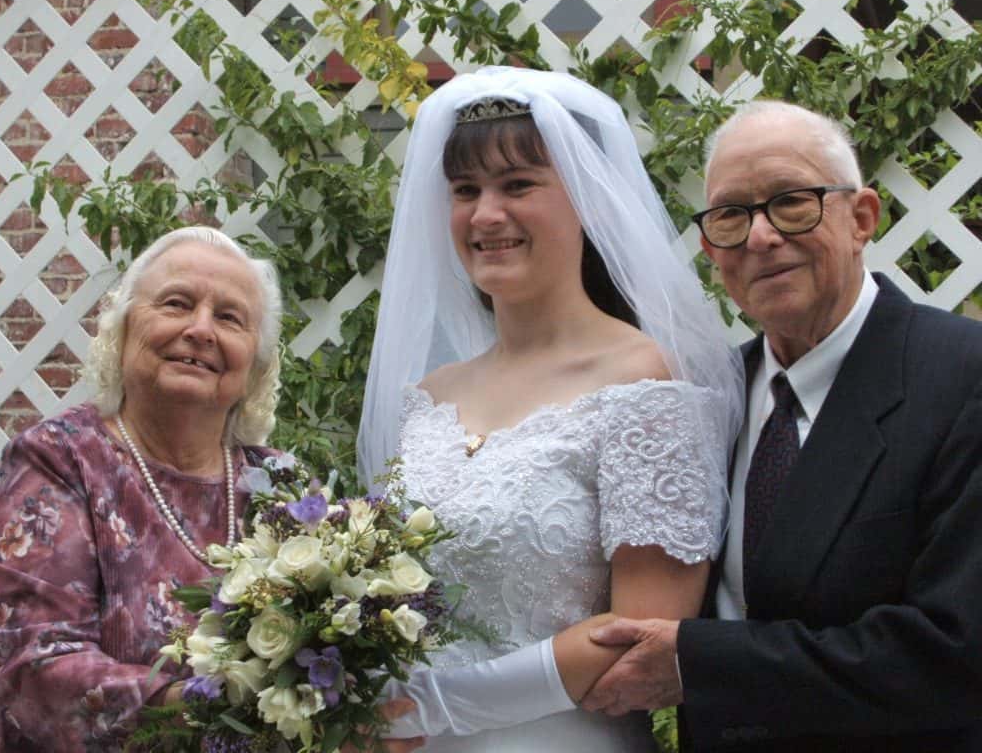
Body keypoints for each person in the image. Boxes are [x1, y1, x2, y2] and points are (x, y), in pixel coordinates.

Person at [356, 66, 745, 752]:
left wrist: (428, 707)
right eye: (466, 191)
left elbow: (639, 638)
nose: (485, 215)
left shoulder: (645, 385)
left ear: (590, 200)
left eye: (518, 185)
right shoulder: (431, 397)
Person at [581, 100, 982, 751]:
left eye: (791, 202)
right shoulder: (708, 401)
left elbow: (954, 653)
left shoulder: (961, 379)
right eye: (732, 216)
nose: (761, 237)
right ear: (712, 249)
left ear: (862, 218)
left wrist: (698, 661)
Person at [0, 227, 285, 751]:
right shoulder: (59, 459)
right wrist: (210, 706)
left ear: (255, 364)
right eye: (176, 303)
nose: (201, 329)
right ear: (123, 329)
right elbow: (29, 665)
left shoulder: (281, 486)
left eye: (230, 318)